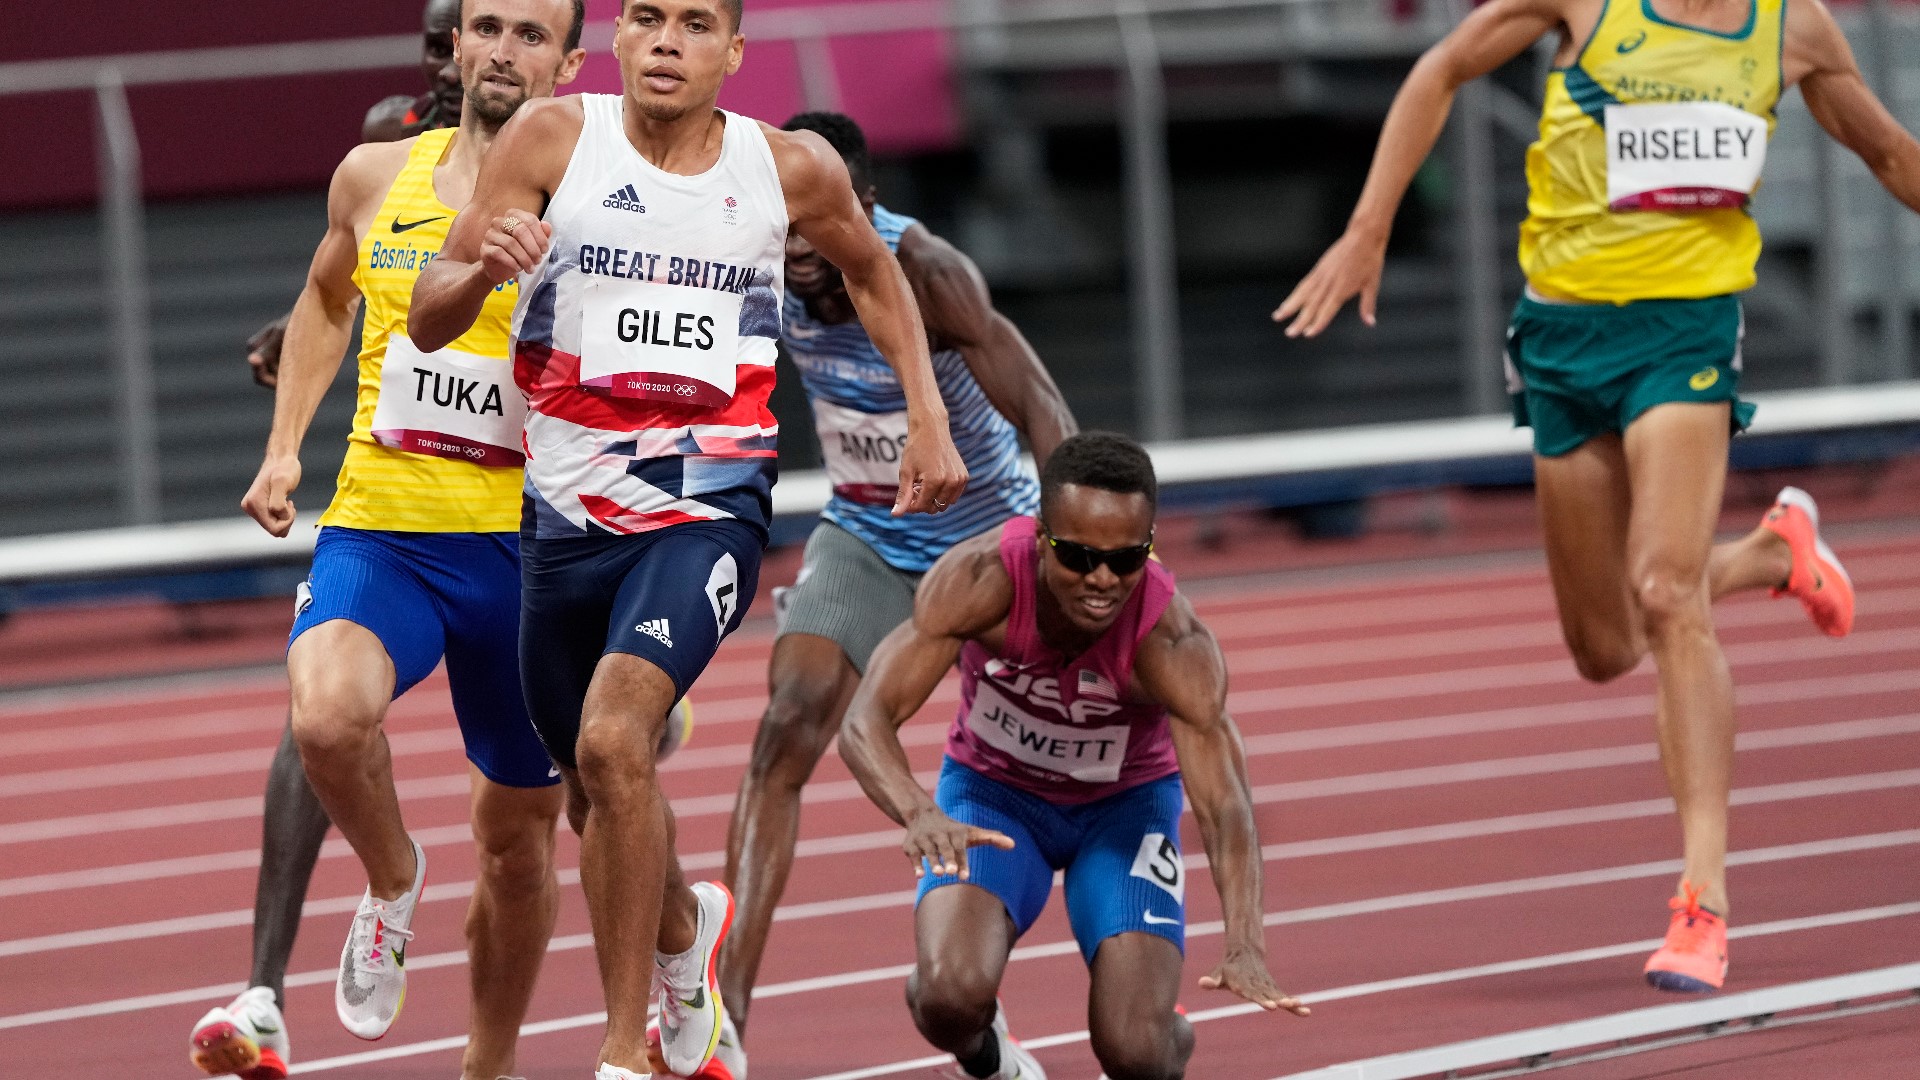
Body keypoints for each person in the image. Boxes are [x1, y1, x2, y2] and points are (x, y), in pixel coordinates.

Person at [1271, 0, 1902, 992]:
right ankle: (1777, 554)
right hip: (1562, 342)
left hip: (1684, 336)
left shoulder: (1793, 30)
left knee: (1664, 593)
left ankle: (1703, 903)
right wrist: (1368, 228)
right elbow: (1440, 69)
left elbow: (1893, 157)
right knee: (1605, 645)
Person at [407, 0, 970, 1075]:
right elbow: (431, 312)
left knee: (620, 743)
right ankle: (682, 939)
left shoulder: (787, 167)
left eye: (697, 23)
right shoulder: (550, 140)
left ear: (733, 52)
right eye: (650, 18)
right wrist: (484, 265)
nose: (669, 41)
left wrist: (926, 413)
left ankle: (625, 1052)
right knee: (592, 790)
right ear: (616, 41)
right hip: (563, 519)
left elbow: (874, 269)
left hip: (708, 508)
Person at [199, 6, 587, 1080]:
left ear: (568, 62)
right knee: (324, 718)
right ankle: (392, 878)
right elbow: (326, 300)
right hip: (386, 526)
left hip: (528, 556)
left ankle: (491, 1061)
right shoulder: (373, 175)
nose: (505, 50)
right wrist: (284, 449)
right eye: (488, 28)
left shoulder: (600, 198)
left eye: (531, 35)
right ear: (457, 47)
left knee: (519, 848)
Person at [688, 109, 1079, 1079]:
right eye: (785, 222)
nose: (804, 250)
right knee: (789, 720)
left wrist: (1077, 546)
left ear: (861, 203)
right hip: (871, 530)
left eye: (822, 222)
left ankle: (997, 995)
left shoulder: (928, 270)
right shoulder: (754, 264)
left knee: (1070, 755)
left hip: (990, 535)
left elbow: (1038, 404)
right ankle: (723, 1016)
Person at [839, 432, 1308, 1080]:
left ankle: (1159, 1030)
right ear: (1039, 535)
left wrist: (1244, 942)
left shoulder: (1171, 642)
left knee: (1135, 1052)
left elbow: (1225, 806)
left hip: (1124, 811)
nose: (1101, 579)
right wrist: (917, 810)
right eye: (1079, 555)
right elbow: (866, 719)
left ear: (1150, 545)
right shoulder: (980, 583)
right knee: (947, 998)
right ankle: (988, 1057)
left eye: (1125, 559)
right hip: (992, 796)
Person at [246, 0, 466, 390]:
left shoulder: (543, 142)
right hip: (413, 365)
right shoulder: (390, 132)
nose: (450, 71)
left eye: (467, 48)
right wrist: (301, 323)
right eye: (437, 50)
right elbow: (358, 254)